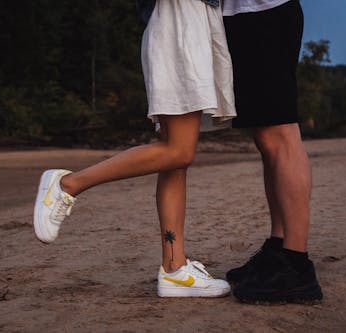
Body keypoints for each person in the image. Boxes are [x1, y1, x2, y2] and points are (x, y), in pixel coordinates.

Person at [33, 0, 236, 298]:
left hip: (190, 21)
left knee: (175, 160)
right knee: (179, 151)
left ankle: (174, 267)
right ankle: (67, 184)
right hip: (180, 21)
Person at [221, 0, 323, 303]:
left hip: (263, 10)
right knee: (266, 136)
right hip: (245, 15)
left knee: (280, 132)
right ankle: (279, 248)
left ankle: (296, 263)